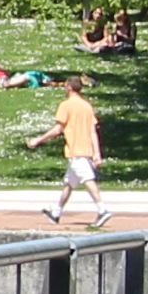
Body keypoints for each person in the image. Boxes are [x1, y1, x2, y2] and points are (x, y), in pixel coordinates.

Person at [44, 76, 108, 229]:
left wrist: (38, 140)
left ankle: (102, 209)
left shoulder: (66, 105)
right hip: (84, 150)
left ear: (69, 87)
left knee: (88, 179)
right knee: (69, 183)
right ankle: (57, 213)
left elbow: (58, 129)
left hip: (76, 150)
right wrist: (96, 152)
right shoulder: (86, 106)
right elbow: (93, 131)